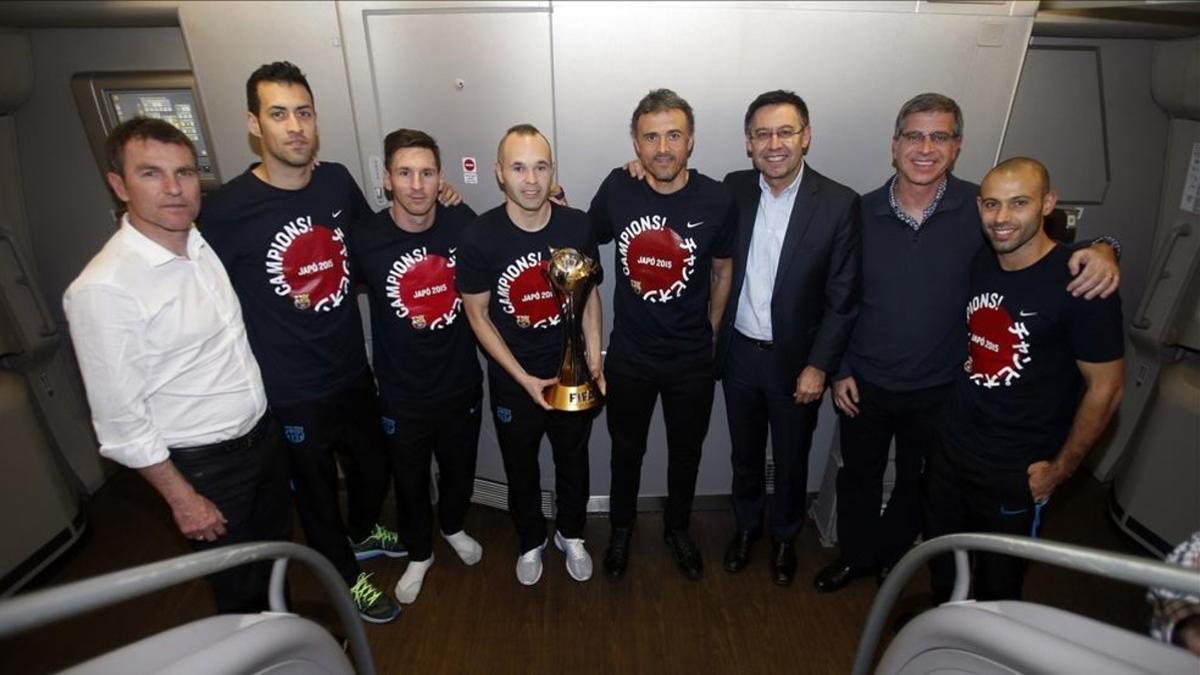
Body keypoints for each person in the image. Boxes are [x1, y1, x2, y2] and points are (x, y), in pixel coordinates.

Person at [816, 93, 1122, 593]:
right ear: (894, 146)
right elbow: (837, 294)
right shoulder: (861, 211)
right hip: (865, 383)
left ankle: (894, 559)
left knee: (919, 486)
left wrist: (1107, 248)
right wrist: (841, 366)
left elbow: (1051, 244)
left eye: (940, 136)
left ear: (956, 147)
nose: (925, 147)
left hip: (942, 389)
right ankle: (856, 556)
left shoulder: (982, 208)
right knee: (859, 476)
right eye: (914, 135)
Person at [197, 61, 402, 623]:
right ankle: (344, 576)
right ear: (253, 124)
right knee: (314, 497)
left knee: (373, 468)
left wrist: (438, 204)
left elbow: (373, 245)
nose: (295, 127)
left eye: (304, 113)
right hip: (290, 390)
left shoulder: (336, 181)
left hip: (351, 370)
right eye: (279, 113)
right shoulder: (224, 211)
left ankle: (362, 531)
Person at [63, 117, 291, 613]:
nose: (173, 189)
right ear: (119, 185)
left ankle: (286, 646)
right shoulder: (104, 288)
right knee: (237, 587)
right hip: (205, 466)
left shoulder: (198, 243)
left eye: (184, 173)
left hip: (261, 438)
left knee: (276, 559)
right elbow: (121, 423)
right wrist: (183, 499)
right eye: (151, 174)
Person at [925, 156, 1124, 603]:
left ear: (1047, 204)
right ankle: (942, 637)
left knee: (999, 584)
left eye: (1018, 203)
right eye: (992, 204)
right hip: (954, 446)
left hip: (1016, 467)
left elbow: (1107, 390)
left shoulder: (1082, 281)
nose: (1002, 218)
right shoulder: (983, 259)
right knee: (943, 559)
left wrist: (1060, 470)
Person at [589, 89, 736, 581]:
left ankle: (678, 528)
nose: (663, 148)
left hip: (691, 359)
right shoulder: (618, 188)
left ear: (690, 140)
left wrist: (710, 333)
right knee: (625, 451)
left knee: (686, 453)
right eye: (651, 137)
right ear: (636, 142)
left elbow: (722, 272)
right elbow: (581, 235)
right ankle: (622, 530)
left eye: (673, 135)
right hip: (630, 356)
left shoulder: (717, 198)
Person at [716, 90, 861, 586]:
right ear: (748, 143)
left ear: (806, 136)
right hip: (738, 355)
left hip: (797, 364)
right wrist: (638, 166)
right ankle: (747, 528)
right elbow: (677, 193)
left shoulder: (839, 203)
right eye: (762, 134)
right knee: (744, 455)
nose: (774, 144)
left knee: (793, 458)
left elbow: (843, 297)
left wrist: (820, 365)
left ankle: (783, 538)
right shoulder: (732, 190)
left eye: (785, 131)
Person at [458, 124, 603, 586]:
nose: (531, 179)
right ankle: (530, 541)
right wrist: (522, 378)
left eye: (540, 166)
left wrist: (595, 358)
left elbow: (590, 296)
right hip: (513, 382)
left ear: (551, 170)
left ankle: (571, 535)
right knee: (520, 467)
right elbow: (477, 314)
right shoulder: (480, 236)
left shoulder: (576, 225)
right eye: (518, 167)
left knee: (573, 460)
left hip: (571, 377)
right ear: (500, 173)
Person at [348, 128, 484, 605]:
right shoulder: (365, 239)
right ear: (387, 180)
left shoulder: (462, 223)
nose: (417, 184)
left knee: (459, 470)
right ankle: (419, 552)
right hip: (401, 392)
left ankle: (452, 527)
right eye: (405, 173)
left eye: (427, 173)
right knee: (408, 481)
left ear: (440, 177)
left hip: (460, 381)